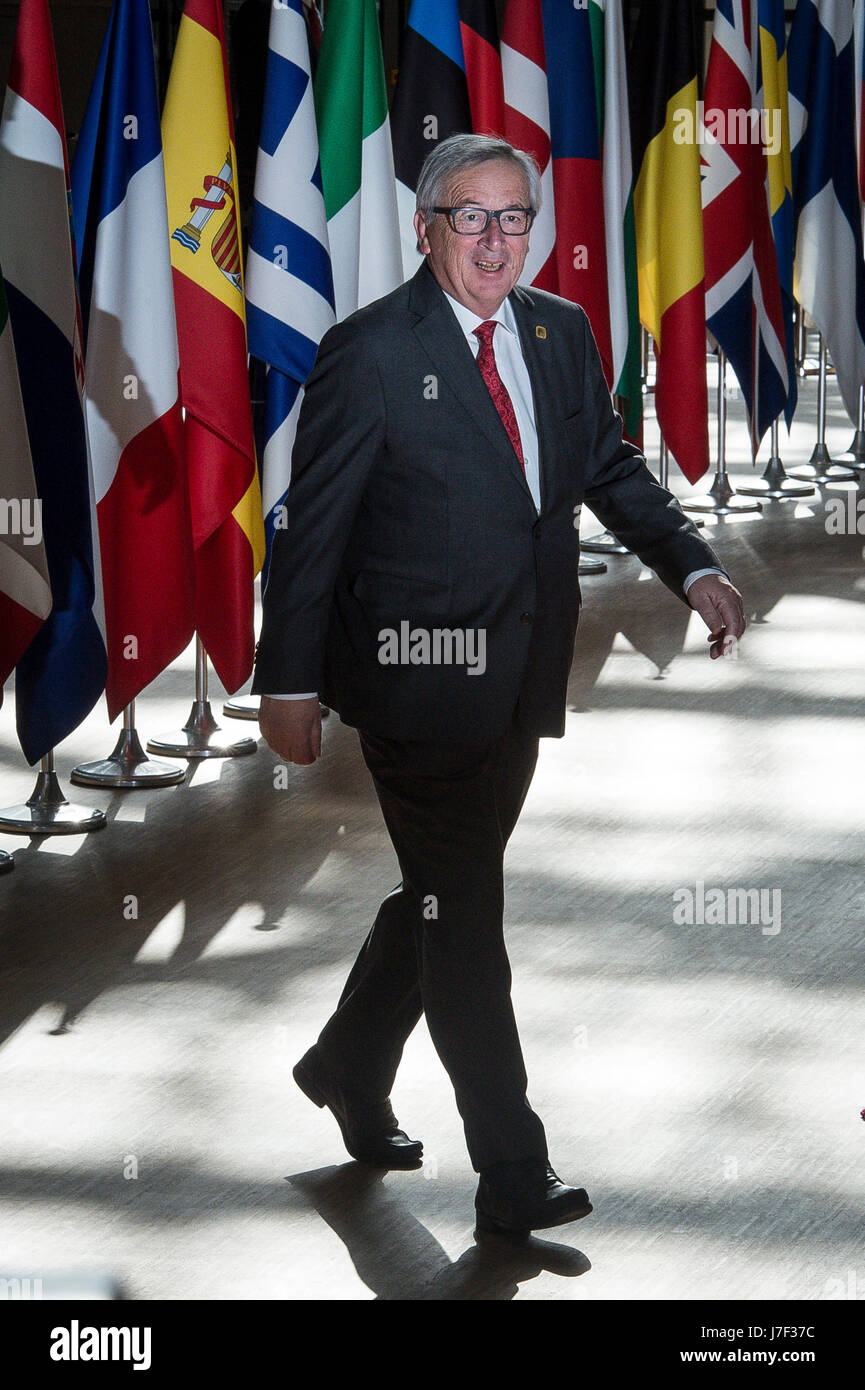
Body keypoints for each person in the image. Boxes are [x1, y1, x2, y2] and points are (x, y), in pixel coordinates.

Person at [252, 134, 745, 1239]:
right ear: (426, 228)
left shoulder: (558, 333)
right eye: (468, 217)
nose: (493, 239)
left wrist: (694, 564)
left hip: (520, 671)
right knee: (467, 916)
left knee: (441, 890)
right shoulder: (370, 351)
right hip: (413, 683)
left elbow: (605, 466)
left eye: (512, 217)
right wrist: (283, 680)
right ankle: (512, 1172)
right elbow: (310, 529)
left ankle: (343, 1062)